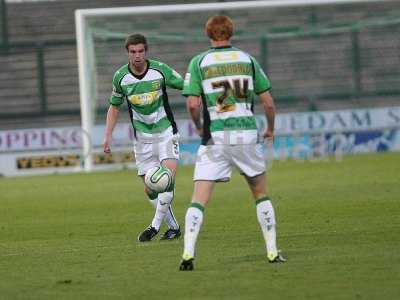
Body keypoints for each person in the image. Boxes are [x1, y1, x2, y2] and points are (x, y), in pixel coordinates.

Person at [179, 16, 286, 271]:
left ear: (208, 34)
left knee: (198, 199)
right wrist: (270, 129)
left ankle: (187, 253)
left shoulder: (199, 62)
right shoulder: (247, 59)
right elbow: (268, 102)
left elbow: (193, 104)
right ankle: (271, 251)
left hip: (214, 137)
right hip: (246, 135)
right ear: (231, 32)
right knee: (260, 193)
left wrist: (199, 128)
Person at [103, 33, 183, 242]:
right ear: (128, 53)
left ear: (145, 51)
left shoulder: (160, 71)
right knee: (150, 189)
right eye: (133, 52)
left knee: (167, 180)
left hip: (166, 132)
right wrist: (107, 137)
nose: (137, 56)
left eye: (140, 51)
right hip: (142, 139)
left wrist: (198, 99)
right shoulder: (120, 77)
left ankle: (154, 226)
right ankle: (173, 226)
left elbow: (186, 86)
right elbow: (114, 108)